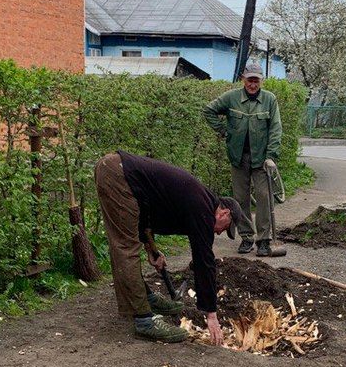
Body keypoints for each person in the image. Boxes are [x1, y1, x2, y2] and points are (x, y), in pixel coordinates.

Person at [94, 151, 245, 345]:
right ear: (225, 212)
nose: (219, 233)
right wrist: (211, 314)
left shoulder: (199, 201)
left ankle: (145, 298)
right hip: (118, 174)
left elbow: (146, 211)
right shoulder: (203, 208)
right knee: (125, 247)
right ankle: (144, 321)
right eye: (226, 228)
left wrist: (151, 249)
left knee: (126, 246)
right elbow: (204, 260)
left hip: (119, 174)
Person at [203, 62, 284, 257]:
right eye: (249, 80)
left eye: (256, 81)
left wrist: (271, 156)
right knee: (241, 199)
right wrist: (224, 131)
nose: (253, 84)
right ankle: (247, 237)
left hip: (262, 159)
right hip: (238, 157)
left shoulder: (269, 100)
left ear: (261, 81)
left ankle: (263, 240)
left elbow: (275, 128)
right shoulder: (231, 98)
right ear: (243, 80)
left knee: (264, 197)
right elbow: (209, 110)